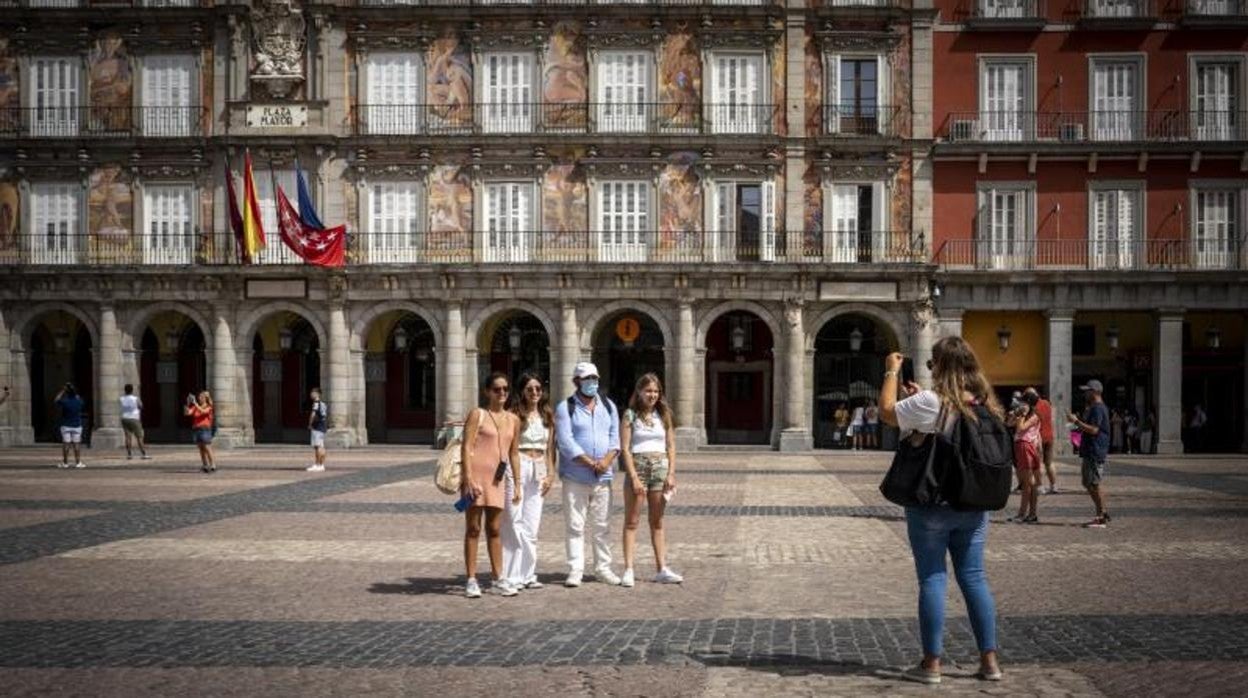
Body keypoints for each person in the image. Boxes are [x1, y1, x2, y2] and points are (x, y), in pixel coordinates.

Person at [878, 337, 1003, 685]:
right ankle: (989, 662)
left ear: (941, 368)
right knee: (974, 578)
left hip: (932, 505)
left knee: (933, 579)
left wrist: (891, 371)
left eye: (933, 365)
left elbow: (887, 411)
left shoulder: (930, 401)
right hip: (974, 504)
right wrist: (915, 398)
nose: (931, 370)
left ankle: (931, 665)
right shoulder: (985, 403)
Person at [555, 361, 622, 588]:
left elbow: (615, 437)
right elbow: (565, 442)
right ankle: (576, 569)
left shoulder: (609, 406)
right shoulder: (565, 408)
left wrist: (605, 462)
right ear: (577, 382)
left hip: (603, 477)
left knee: (602, 525)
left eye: (594, 378)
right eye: (587, 379)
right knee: (575, 525)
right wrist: (590, 462)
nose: (592, 382)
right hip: (575, 477)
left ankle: (603, 568)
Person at [460, 373, 522, 598]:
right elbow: (466, 447)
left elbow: (514, 453)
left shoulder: (514, 419)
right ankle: (471, 579)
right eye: (497, 389)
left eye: (505, 389)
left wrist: (517, 483)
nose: (502, 393)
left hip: (498, 480)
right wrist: (467, 477)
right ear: (487, 392)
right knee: (473, 528)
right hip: (475, 478)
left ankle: (498, 578)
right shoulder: (478, 414)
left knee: (495, 529)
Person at [620, 373, 683, 588]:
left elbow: (671, 446)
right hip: (638, 467)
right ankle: (628, 569)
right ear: (639, 392)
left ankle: (661, 568)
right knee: (632, 521)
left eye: (656, 391)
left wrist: (671, 473)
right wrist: (634, 477)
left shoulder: (663, 415)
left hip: (660, 468)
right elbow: (626, 449)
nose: (652, 395)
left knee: (657, 521)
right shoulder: (630, 415)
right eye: (648, 391)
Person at [501, 373, 555, 592]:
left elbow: (551, 448)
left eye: (538, 388)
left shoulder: (547, 415)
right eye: (530, 389)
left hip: (539, 464)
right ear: (522, 391)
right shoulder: (514, 414)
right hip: (519, 464)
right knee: (513, 521)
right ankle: (511, 575)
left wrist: (551, 474)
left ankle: (528, 574)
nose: (535, 393)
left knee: (532, 523)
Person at [1068, 380, 1111, 528]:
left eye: (1088, 391)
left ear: (1095, 392)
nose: (1085, 393)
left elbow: (1094, 430)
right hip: (1090, 450)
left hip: (1095, 450)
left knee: (1094, 483)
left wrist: (1077, 422)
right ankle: (1101, 513)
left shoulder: (1098, 408)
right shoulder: (1094, 408)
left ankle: (1101, 516)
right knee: (1088, 483)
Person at [1006, 392, 1042, 524]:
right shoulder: (1023, 414)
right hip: (1021, 446)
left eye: (1023, 402)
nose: (1021, 404)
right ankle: (1031, 514)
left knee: (1027, 484)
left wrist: (1021, 415)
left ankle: (1023, 514)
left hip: (1025, 446)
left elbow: (1020, 429)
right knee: (1028, 483)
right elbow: (1009, 424)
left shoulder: (1034, 417)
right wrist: (1015, 415)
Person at [1025, 387, 1057, 494]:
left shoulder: (1034, 408)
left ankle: (1040, 486)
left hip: (1038, 437)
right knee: (1049, 463)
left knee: (1037, 463)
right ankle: (1054, 486)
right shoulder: (1047, 403)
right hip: (1050, 436)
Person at [54, 383, 86, 469]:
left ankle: (65, 462)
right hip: (77, 425)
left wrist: (62, 391)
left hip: (66, 425)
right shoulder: (79, 401)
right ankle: (78, 462)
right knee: (77, 444)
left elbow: (56, 400)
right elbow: (81, 401)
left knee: (66, 444)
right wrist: (75, 392)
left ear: (67, 393)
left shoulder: (65, 401)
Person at [185, 390, 215, 473]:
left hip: (205, 429)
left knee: (207, 447)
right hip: (196, 429)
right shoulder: (196, 406)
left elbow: (203, 411)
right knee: (201, 448)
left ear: (205, 398)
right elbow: (187, 413)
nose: (199, 398)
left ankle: (212, 464)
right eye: (199, 397)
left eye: (201, 397)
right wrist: (188, 403)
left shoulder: (208, 407)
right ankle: (205, 465)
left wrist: (195, 404)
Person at [119, 384, 150, 461]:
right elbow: (141, 406)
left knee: (128, 437)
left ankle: (129, 454)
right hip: (134, 418)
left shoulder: (121, 398)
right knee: (139, 437)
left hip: (124, 418)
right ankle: (144, 454)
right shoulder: (135, 398)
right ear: (132, 390)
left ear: (125, 390)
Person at [306, 387, 328, 472]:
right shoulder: (323, 404)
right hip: (322, 426)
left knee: (317, 446)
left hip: (317, 426)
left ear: (318, 394)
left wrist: (310, 424)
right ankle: (321, 465)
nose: (311, 394)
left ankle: (317, 464)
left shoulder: (316, 403)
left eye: (313, 393)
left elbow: (313, 414)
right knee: (321, 446)